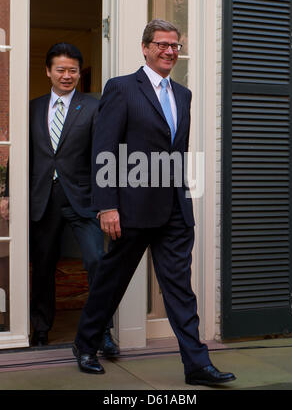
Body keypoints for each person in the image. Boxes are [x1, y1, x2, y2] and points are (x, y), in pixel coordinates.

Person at [73, 20, 236, 385]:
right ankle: (85, 343)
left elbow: (176, 153)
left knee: (179, 287)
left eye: (175, 45)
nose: (169, 51)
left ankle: (197, 365)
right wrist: (107, 205)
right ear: (145, 48)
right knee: (111, 282)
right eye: (162, 44)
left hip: (174, 210)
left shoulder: (184, 95)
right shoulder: (121, 89)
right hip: (129, 209)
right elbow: (104, 149)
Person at [29, 42, 119, 357]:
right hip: (42, 198)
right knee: (42, 266)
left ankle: (102, 332)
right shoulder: (32, 107)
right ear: (48, 71)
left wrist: (109, 200)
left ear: (79, 73)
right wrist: (11, 194)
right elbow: (22, 156)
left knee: (96, 261)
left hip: (84, 198)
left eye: (73, 70)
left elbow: (104, 155)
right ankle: (41, 329)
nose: (67, 76)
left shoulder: (93, 107)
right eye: (61, 70)